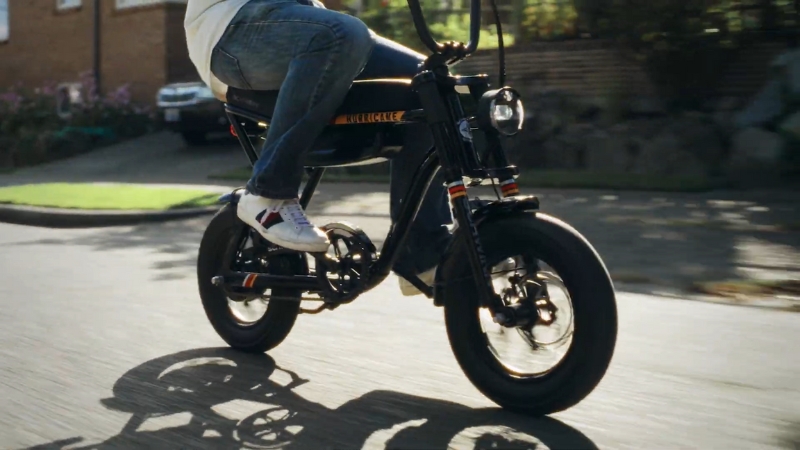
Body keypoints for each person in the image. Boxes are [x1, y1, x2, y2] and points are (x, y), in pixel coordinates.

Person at [184, 0, 453, 295]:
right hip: (231, 29)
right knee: (341, 34)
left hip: (305, 23)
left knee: (430, 83)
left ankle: (422, 253)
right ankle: (266, 193)